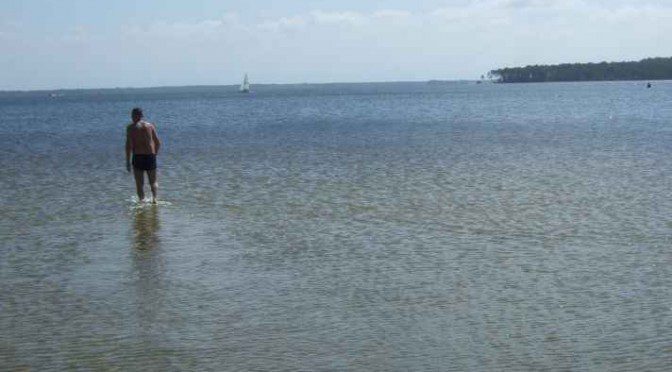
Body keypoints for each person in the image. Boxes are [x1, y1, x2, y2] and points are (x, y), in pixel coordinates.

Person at [126, 108, 161, 203]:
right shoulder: (150, 126)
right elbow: (158, 142)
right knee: (153, 181)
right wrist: (155, 154)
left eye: (132, 115)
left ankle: (142, 201)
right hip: (150, 156)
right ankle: (155, 199)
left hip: (138, 156)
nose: (132, 117)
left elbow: (128, 146)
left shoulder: (130, 128)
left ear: (134, 115)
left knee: (139, 183)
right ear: (142, 116)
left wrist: (127, 162)